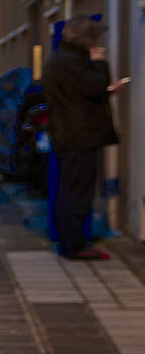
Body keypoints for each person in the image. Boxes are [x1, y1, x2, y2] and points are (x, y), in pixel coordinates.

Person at [41, 17, 127, 260]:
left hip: (68, 134)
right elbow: (93, 84)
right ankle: (74, 244)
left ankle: (69, 240)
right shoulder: (73, 61)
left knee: (70, 189)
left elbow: (80, 92)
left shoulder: (59, 59)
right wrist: (99, 63)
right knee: (78, 191)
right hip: (80, 136)